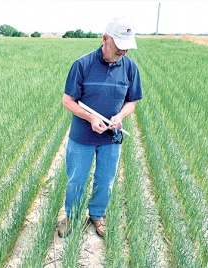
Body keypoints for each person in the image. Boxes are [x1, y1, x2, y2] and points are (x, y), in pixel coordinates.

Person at [58, 16, 143, 238]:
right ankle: (72, 217)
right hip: (82, 137)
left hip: (111, 138)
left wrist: (120, 116)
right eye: (119, 46)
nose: (123, 51)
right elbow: (68, 101)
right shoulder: (82, 64)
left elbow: (131, 102)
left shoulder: (130, 68)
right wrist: (90, 118)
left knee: (105, 182)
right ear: (105, 39)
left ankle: (97, 215)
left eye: (127, 47)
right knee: (77, 180)